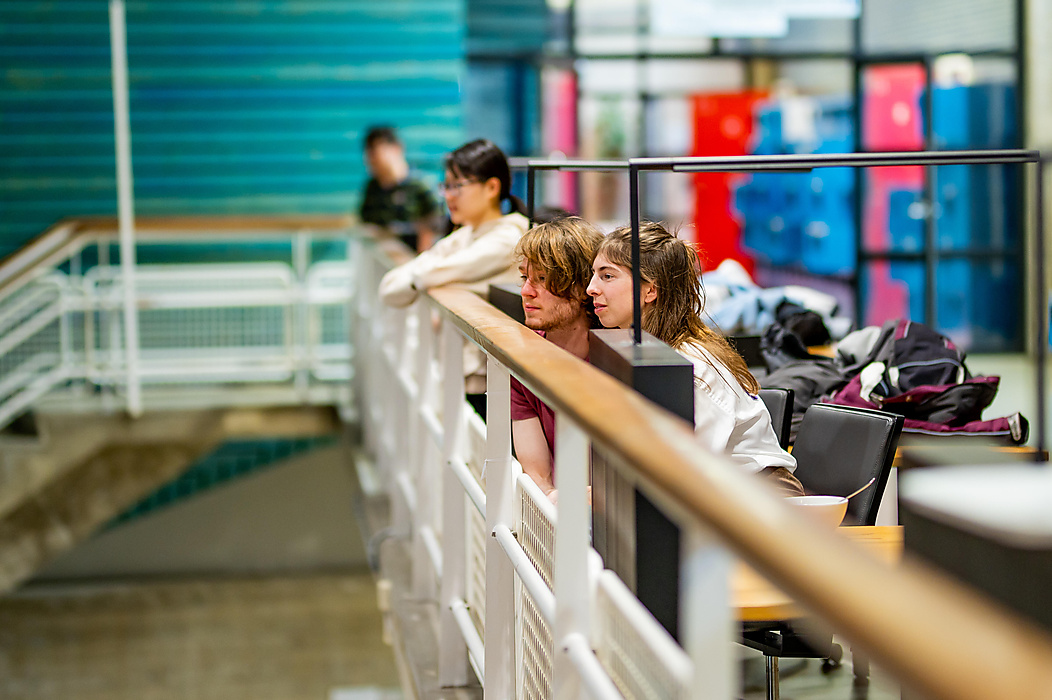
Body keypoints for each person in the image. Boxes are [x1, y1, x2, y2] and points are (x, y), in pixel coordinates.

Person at [587, 222, 804, 495]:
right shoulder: (638, 352)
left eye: (607, 276)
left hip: (765, 503)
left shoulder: (691, 368)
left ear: (650, 290)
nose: (591, 288)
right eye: (593, 275)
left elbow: (690, 476)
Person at [379, 139, 530, 410]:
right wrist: (424, 278)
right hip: (460, 370)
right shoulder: (463, 237)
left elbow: (424, 276)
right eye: (446, 186)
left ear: (492, 187)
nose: (448, 196)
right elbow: (389, 289)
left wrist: (419, 277)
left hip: (490, 380)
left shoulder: (511, 237)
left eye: (457, 186)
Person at [511, 217, 605, 503]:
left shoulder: (615, 363)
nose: (527, 291)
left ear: (581, 288)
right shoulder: (524, 359)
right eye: (524, 277)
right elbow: (538, 480)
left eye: (542, 278)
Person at [359, 126, 442, 252]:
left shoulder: (420, 185)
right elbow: (366, 224)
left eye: (377, 153)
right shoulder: (372, 188)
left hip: (418, 257)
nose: (372, 160)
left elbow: (435, 225)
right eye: (369, 155)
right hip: (384, 257)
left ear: (396, 148)